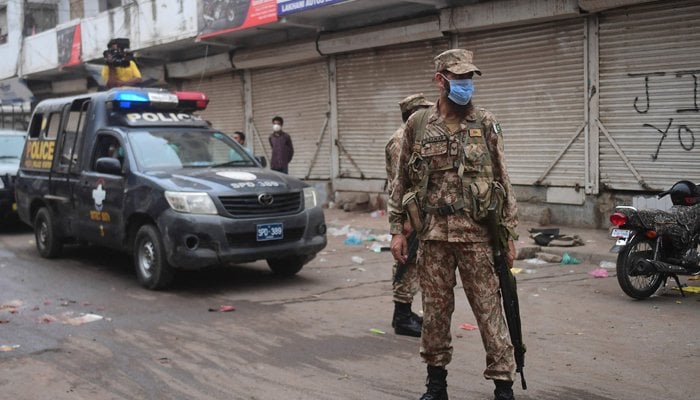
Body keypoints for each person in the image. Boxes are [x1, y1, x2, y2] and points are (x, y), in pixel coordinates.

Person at [388, 49, 519, 400]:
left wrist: (508, 234)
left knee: (490, 312)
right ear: (440, 80)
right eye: (458, 78)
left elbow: (504, 182)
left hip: (477, 236)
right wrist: (397, 232)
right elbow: (399, 183)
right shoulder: (416, 126)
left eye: (468, 79)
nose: (465, 85)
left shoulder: (485, 122)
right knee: (434, 313)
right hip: (432, 237)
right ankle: (436, 386)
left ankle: (503, 387)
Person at [385, 93, 433, 337]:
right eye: (424, 110)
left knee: (418, 262)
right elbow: (398, 183)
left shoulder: (417, 136)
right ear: (413, 114)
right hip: (408, 215)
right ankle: (401, 317)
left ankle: (407, 312)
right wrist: (403, 222)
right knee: (407, 262)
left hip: (421, 214)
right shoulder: (401, 139)